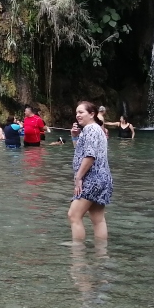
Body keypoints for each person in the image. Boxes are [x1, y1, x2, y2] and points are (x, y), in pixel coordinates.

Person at [68, 101, 112, 242]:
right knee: (98, 219)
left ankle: (78, 255)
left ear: (92, 114)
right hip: (102, 179)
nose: (78, 115)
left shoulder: (91, 129)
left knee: (74, 215)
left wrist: (79, 177)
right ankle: (101, 256)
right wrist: (75, 136)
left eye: (81, 112)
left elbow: (90, 156)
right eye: (76, 113)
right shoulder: (94, 129)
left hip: (92, 179)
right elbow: (81, 153)